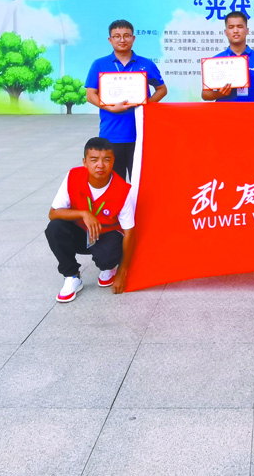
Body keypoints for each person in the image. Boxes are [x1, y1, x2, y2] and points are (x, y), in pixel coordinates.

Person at [45, 137, 136, 302]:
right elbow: (53, 213)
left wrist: (122, 273)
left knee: (108, 255)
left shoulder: (124, 190)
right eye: (94, 160)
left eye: (106, 159)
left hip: (106, 235)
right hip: (81, 233)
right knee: (55, 228)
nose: (100, 165)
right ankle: (72, 276)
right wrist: (83, 214)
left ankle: (109, 267)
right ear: (85, 162)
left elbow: (130, 233)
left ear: (113, 161)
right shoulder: (73, 176)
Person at [85, 19, 167, 181]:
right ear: (110, 40)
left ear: (133, 38)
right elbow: (90, 94)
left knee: (141, 182)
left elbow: (162, 89)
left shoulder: (146, 64)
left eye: (126, 36)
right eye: (117, 36)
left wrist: (146, 105)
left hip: (140, 134)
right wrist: (110, 108)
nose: (122, 40)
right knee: (115, 183)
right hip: (111, 134)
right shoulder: (99, 64)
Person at [202, 11, 254, 102]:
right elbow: (205, 95)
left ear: (247, 30)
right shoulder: (215, 61)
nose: (235, 31)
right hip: (225, 110)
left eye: (240, 26)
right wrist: (220, 93)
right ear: (226, 32)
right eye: (231, 27)